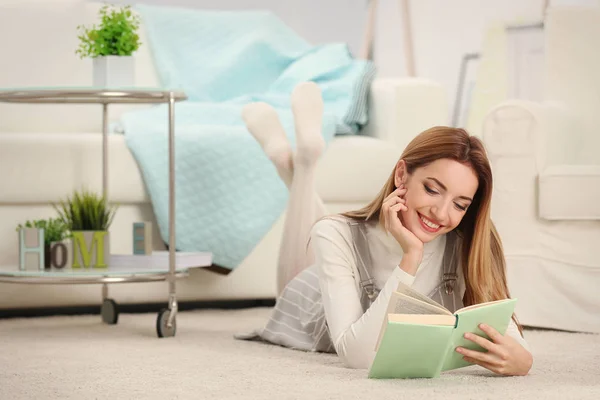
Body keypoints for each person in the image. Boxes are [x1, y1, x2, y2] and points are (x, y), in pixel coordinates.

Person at [236, 81, 533, 377]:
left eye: (460, 204)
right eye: (432, 189)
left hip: (341, 257)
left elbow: (509, 335)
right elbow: (359, 356)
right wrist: (411, 256)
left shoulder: (472, 242)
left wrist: (523, 360)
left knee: (331, 228)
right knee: (327, 230)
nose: (442, 214)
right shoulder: (335, 234)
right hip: (310, 303)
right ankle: (299, 161)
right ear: (402, 174)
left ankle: (293, 161)